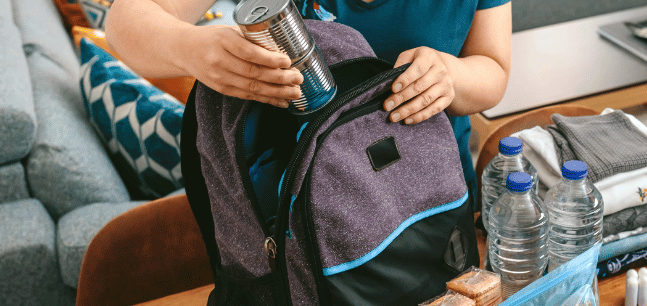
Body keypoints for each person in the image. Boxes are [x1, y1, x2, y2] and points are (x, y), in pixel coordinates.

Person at [105, 0, 512, 198]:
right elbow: (125, 22)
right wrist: (189, 47)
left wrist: (452, 76)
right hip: (304, 210)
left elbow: (493, 69)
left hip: (437, 196)